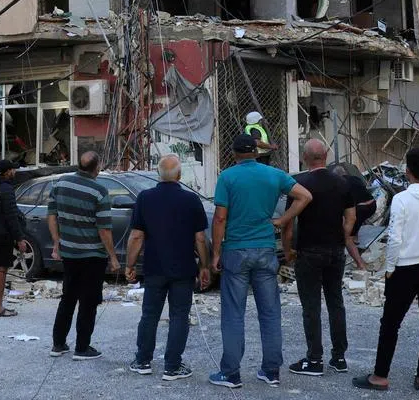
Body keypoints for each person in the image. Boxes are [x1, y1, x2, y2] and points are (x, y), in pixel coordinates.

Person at [209, 134, 313, 389]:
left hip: (236, 250)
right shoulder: (274, 174)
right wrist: (282, 220)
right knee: (270, 313)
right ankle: (271, 371)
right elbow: (305, 196)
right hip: (265, 249)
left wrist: (216, 253)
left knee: (233, 313)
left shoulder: (227, 177)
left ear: (234, 153)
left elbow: (220, 218)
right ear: (256, 151)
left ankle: (231, 373)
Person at [353, 147, 419, 393]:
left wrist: (390, 268)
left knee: (390, 323)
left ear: (407, 171)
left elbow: (395, 238)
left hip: (404, 268)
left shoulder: (402, 199)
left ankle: (380, 375)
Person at [282, 139, 366, 378]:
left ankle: (314, 359)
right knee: (335, 302)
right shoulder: (342, 183)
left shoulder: (299, 184)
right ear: (326, 156)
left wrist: (288, 250)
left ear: (305, 159)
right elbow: (351, 217)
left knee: (311, 306)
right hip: (335, 251)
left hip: (309, 251)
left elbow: (288, 224)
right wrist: (343, 236)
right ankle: (339, 357)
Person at [125, 155, 210, 381]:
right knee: (179, 316)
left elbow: (136, 236)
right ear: (179, 175)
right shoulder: (191, 199)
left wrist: (130, 265)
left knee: (150, 314)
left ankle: (142, 360)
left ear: (158, 174)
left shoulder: (145, 198)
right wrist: (204, 266)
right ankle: (172, 366)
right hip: (183, 268)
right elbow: (200, 238)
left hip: (154, 267)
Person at [47, 151, 119, 360]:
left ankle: (58, 344)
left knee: (68, 298)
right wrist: (113, 257)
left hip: (70, 253)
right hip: (93, 256)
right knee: (89, 301)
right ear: (97, 167)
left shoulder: (60, 183)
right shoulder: (99, 191)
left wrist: (57, 242)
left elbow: (51, 216)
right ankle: (82, 347)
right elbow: (104, 230)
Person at [0, 159, 28, 318]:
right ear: (7, 171)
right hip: (3, 233)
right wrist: (20, 238)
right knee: (1, 269)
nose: (14, 172)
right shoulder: (6, 188)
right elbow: (11, 216)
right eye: (13, 170)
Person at [329, 162, 378, 237]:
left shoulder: (340, 183)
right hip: (373, 205)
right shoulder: (356, 178)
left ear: (336, 176)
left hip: (362, 208)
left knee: (349, 226)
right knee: (356, 222)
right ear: (345, 172)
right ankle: (354, 236)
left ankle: (352, 239)